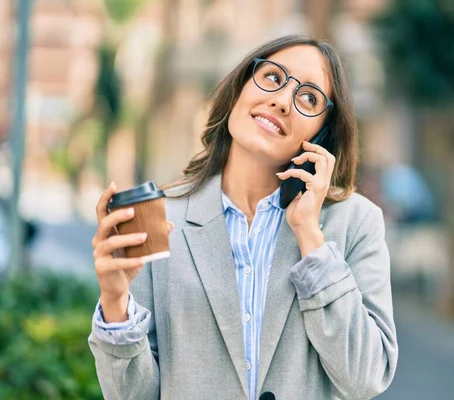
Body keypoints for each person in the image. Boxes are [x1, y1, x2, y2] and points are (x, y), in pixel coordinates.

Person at [89, 35, 398, 400]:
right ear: (240, 88)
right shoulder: (162, 218)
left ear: (322, 134)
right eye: (272, 78)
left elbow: (366, 378)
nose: (282, 101)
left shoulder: (355, 223)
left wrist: (311, 239)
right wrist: (115, 302)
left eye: (309, 98)